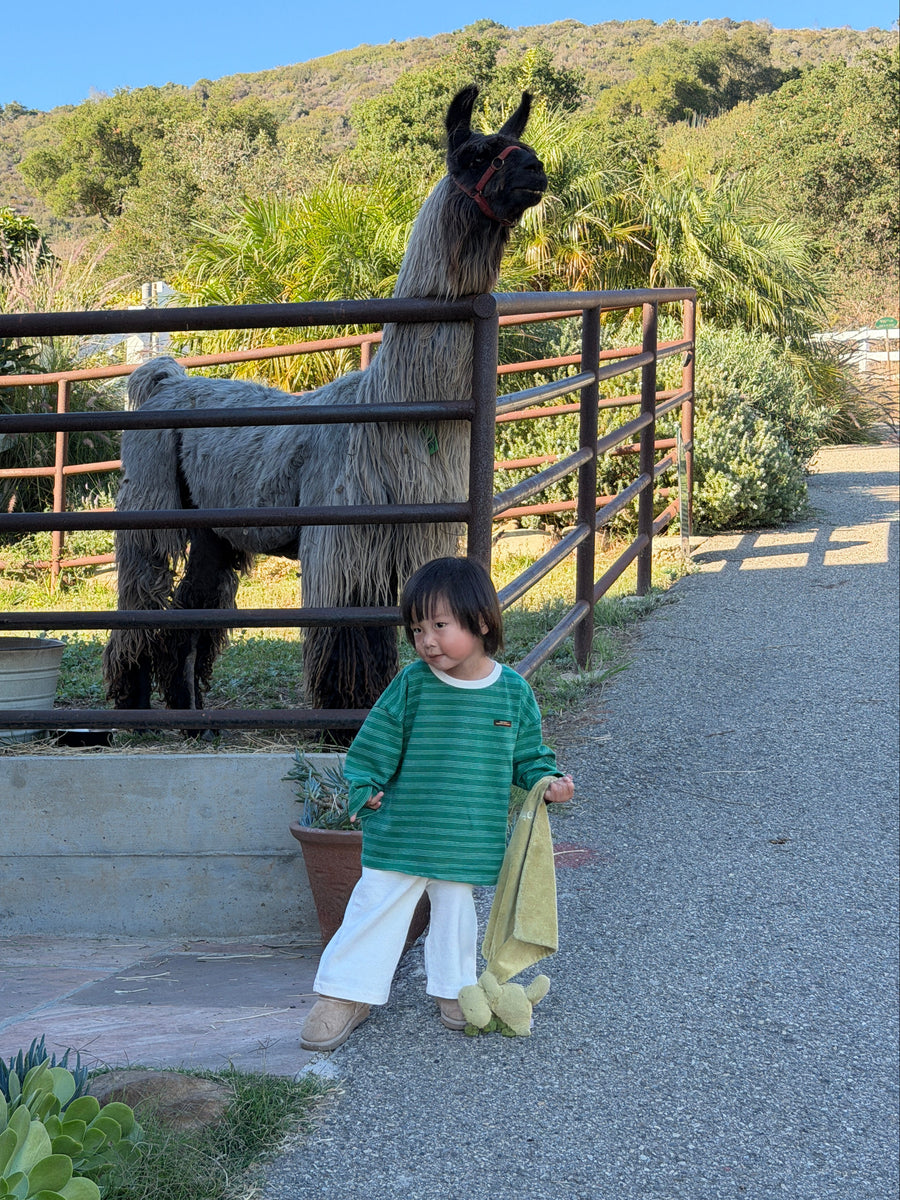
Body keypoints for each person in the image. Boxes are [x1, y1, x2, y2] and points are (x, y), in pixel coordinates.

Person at [300, 556, 574, 1051]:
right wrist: (364, 788)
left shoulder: (512, 692)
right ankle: (345, 994)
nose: (427, 640)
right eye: (417, 628)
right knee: (376, 903)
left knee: (455, 909)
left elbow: (530, 756)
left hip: (466, 831)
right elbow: (372, 745)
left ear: (482, 622)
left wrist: (547, 781)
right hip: (403, 826)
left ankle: (455, 989)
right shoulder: (413, 684)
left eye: (440, 626)